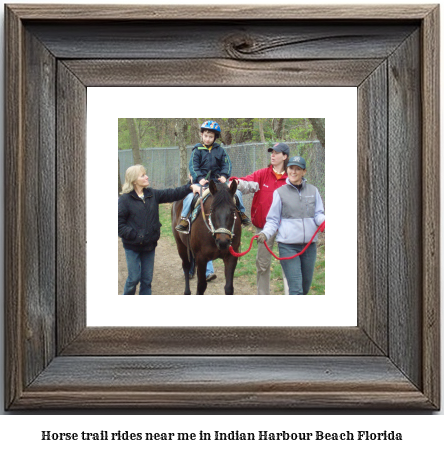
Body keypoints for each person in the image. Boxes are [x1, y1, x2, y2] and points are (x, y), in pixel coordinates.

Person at [175, 120, 250, 281]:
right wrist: (199, 178)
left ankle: (242, 214)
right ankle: (184, 219)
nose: (208, 138)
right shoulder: (197, 150)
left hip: (218, 182)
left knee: (237, 195)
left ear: (215, 137)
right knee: (190, 197)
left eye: (211, 136)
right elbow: (193, 167)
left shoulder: (220, 150)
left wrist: (224, 176)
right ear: (201, 135)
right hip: (201, 182)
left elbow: (227, 165)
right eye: (206, 135)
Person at [118, 164, 200, 295]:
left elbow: (172, 193)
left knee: (146, 280)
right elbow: (119, 225)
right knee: (133, 279)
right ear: (134, 180)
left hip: (149, 246)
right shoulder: (124, 200)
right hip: (132, 246)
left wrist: (190, 187)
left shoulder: (152, 194)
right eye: (143, 175)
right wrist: (135, 235)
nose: (147, 177)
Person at [257, 156, 325, 295]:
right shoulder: (280, 193)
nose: (293, 172)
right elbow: (273, 220)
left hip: (309, 246)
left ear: (304, 172)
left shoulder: (313, 191)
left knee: (305, 288)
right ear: (287, 170)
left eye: (298, 169)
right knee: (296, 289)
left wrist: (324, 221)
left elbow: (318, 214)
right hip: (288, 246)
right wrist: (265, 233)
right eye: (291, 168)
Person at [229, 142, 290, 295]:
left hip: (287, 228)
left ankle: (292, 294)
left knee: (289, 265)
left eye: (277, 152)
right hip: (264, 228)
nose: (273, 155)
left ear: (285, 156)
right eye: (272, 152)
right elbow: (246, 183)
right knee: (262, 265)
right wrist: (236, 182)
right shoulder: (263, 174)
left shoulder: (291, 177)